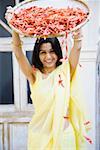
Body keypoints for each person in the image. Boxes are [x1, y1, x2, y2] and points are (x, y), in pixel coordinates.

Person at [12, 30, 92, 150]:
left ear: (58, 53)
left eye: (52, 51)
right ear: (37, 55)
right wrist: (14, 28)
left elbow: (78, 46)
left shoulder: (66, 71)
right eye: (43, 52)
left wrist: (78, 27)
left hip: (64, 135)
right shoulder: (34, 75)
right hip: (40, 136)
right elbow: (18, 53)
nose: (48, 57)